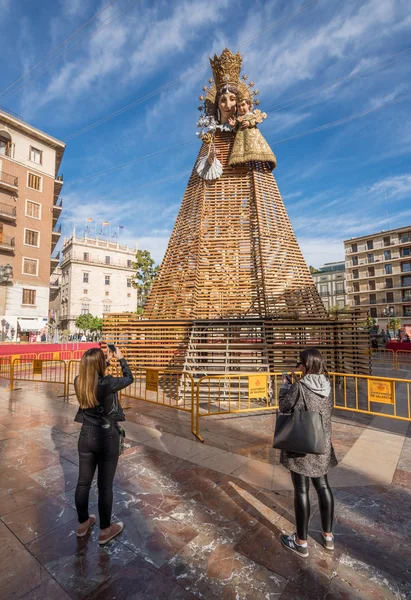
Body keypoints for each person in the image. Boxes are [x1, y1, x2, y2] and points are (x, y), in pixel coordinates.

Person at [278, 348, 337, 558]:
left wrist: (285, 387)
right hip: (322, 443)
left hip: (302, 446)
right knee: (323, 487)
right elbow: (328, 413)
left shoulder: (300, 386)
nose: (298, 367)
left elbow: (284, 406)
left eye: (299, 363)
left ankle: (301, 542)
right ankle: (328, 536)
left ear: (307, 365)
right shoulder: (327, 385)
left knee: (301, 491)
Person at [73, 347, 133, 545]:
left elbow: (94, 374)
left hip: (86, 435)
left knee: (83, 483)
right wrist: (120, 359)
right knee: (105, 486)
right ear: (99, 365)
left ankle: (83, 523)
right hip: (107, 436)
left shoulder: (78, 381)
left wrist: (104, 360)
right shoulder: (107, 384)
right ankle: (105, 530)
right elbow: (128, 377)